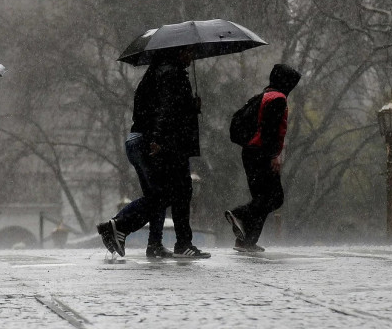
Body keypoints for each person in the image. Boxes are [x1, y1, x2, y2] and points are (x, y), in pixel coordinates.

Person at [98, 47, 210, 259]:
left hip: (139, 140)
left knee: (158, 194)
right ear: (177, 52)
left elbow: (159, 108)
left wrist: (190, 107)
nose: (191, 56)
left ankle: (154, 243)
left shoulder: (154, 74)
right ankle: (119, 226)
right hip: (157, 142)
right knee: (171, 193)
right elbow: (165, 110)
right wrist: (158, 139)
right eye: (188, 52)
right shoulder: (171, 73)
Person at [225, 64, 301, 252]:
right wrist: (273, 155)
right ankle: (240, 214)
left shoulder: (262, 96)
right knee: (274, 198)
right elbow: (270, 130)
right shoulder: (278, 99)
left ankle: (246, 241)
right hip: (262, 153)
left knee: (262, 199)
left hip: (250, 152)